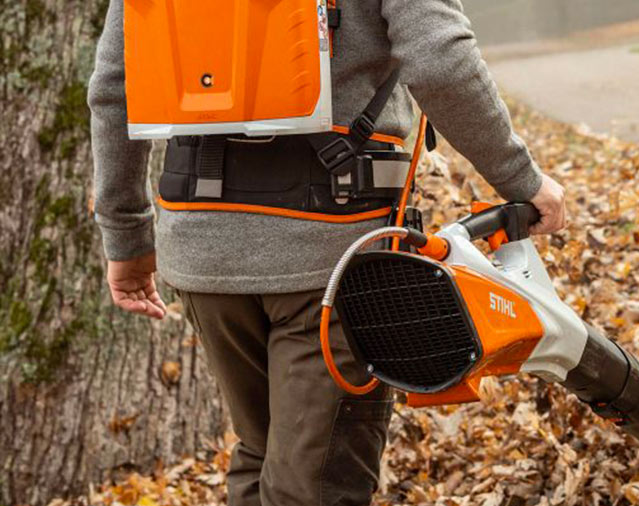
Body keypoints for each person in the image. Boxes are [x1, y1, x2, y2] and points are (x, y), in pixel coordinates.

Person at [88, 0, 566, 504]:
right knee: (314, 486)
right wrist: (521, 179)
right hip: (334, 261)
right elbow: (439, 56)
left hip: (206, 256)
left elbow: (115, 84)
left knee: (263, 450)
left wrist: (125, 235)